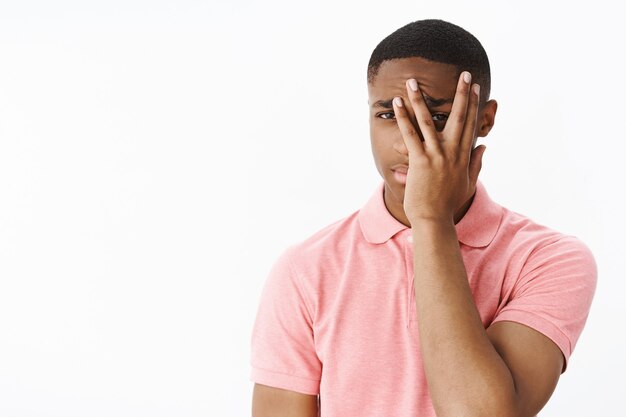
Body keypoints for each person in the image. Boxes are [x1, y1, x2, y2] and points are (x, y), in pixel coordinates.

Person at [249, 19, 597, 417]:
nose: (407, 140)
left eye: (436, 116)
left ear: (484, 119)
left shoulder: (550, 259)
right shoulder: (305, 269)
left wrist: (431, 219)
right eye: (387, 115)